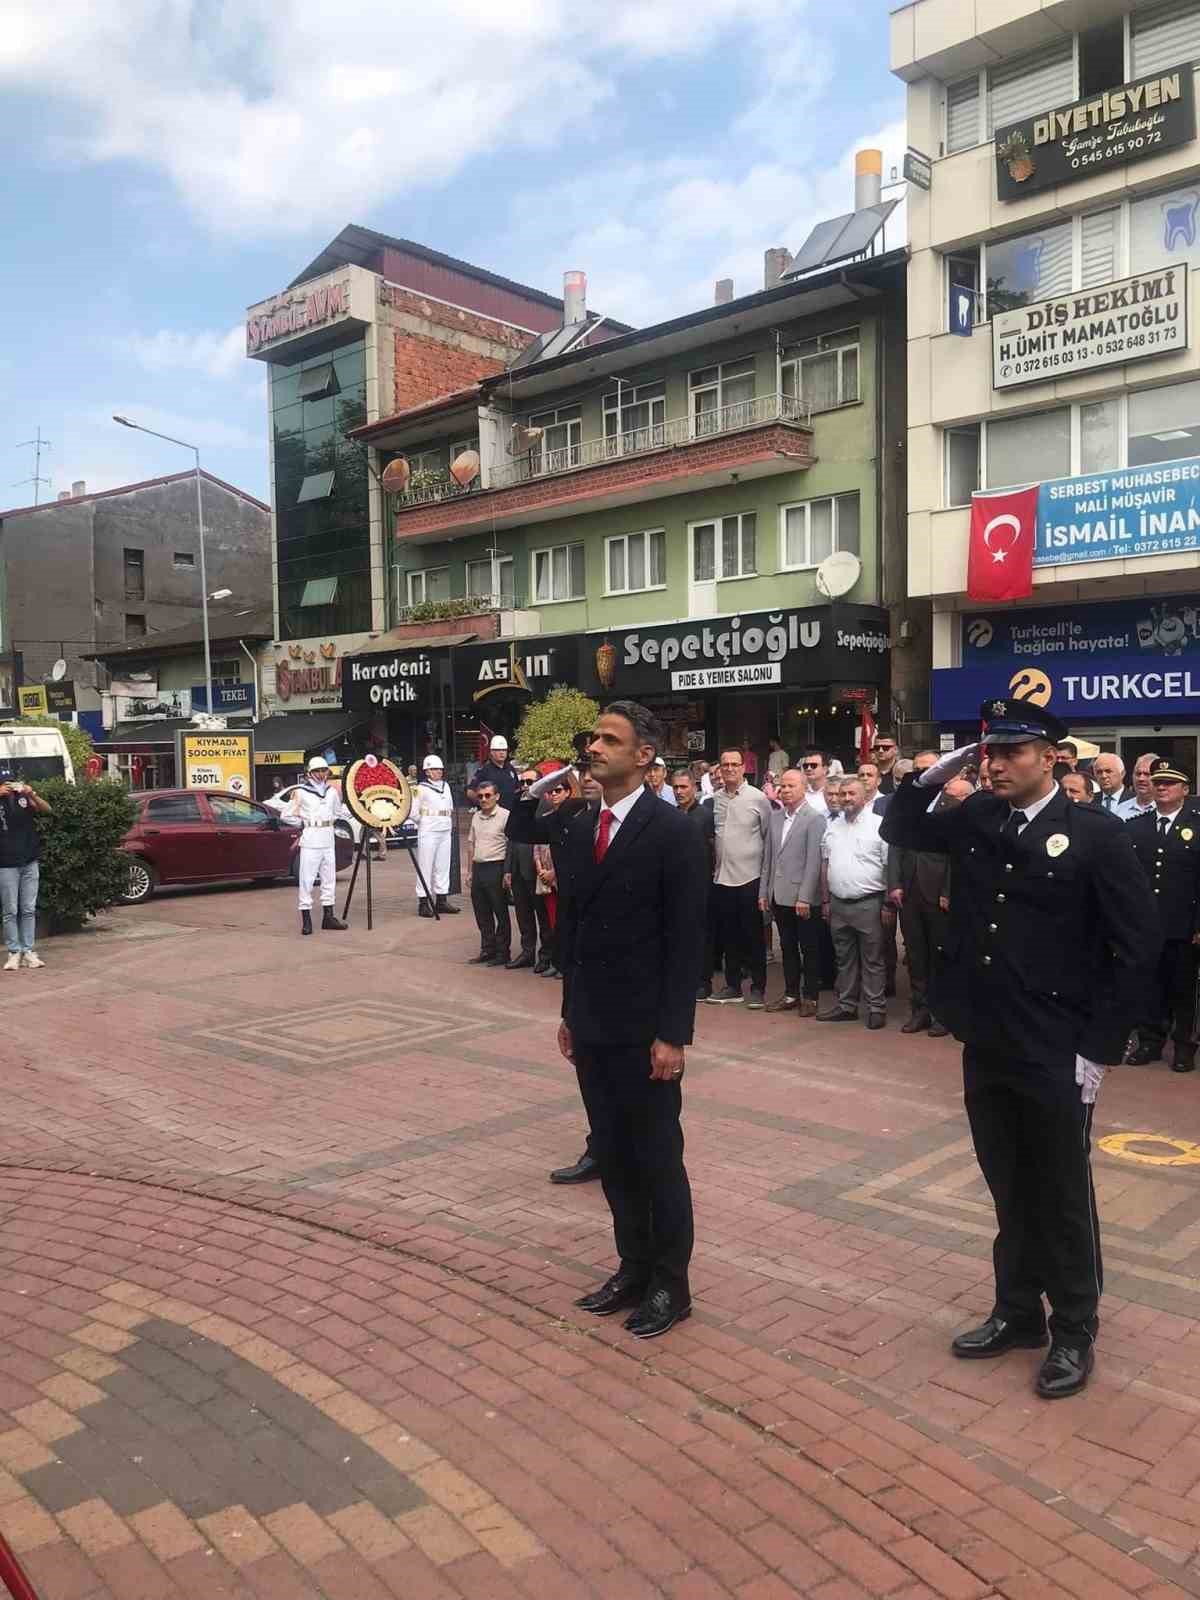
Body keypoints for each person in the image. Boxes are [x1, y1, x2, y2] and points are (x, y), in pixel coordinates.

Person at [881, 700, 1159, 1400]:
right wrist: (934, 772)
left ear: (1050, 757)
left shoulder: (1095, 834)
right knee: (1007, 1181)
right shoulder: (979, 816)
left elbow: (1137, 948)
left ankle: (1075, 1327)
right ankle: (1018, 1310)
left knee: (1060, 1190)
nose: (996, 764)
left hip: (1058, 1046)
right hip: (989, 1035)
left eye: (1012, 752)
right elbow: (901, 825)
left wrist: (1099, 1049)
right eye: (989, 752)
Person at [559, 700, 706, 1339]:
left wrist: (673, 1034)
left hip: (646, 1033)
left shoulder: (674, 831)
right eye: (594, 738)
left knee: (656, 1158)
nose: (593, 747)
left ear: (644, 756)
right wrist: (569, 1013)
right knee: (613, 1157)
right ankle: (633, 1266)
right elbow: (575, 933)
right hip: (593, 1024)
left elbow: (687, 942)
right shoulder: (582, 826)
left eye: (609, 740)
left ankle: (671, 1283)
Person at [1126, 759, 1200, 1073]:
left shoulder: (1197, 825)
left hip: (1185, 925)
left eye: (1169, 783)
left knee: (1184, 989)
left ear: (1185, 789)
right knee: (1149, 987)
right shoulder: (1136, 826)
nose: (1162, 787)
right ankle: (1150, 1041)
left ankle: (1184, 1046)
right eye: (1158, 782)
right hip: (1147, 925)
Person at [888, 757, 966, 1037]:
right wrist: (894, 883)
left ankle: (941, 1014)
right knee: (916, 954)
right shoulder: (909, 802)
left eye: (931, 768)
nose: (926, 773)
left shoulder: (954, 804)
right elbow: (895, 844)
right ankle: (919, 1010)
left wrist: (947, 891)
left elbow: (957, 854)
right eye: (921, 769)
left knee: (939, 955)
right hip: (909, 892)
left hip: (938, 894)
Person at [818, 777, 891, 1029]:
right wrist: (825, 900)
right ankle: (847, 1005)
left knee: (873, 959)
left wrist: (887, 904)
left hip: (869, 903)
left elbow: (889, 866)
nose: (846, 798)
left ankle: (876, 1007)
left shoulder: (878, 825)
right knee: (844, 957)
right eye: (843, 794)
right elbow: (825, 864)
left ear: (864, 796)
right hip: (838, 904)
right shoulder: (833, 826)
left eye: (852, 793)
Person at [708, 748, 773, 1008]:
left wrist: (765, 884)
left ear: (744, 768)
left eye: (735, 764)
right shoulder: (715, 799)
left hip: (750, 877)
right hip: (722, 878)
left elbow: (768, 838)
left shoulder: (758, 798)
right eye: (725, 765)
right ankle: (732, 985)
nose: (730, 769)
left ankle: (758, 987)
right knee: (728, 936)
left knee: (753, 936)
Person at [759, 769, 826, 1017]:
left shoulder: (814, 818)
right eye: (783, 786)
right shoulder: (775, 817)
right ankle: (791, 994)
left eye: (791, 786)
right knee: (787, 947)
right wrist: (763, 892)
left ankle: (810, 997)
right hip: (778, 894)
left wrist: (805, 896)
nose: (786, 790)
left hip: (802, 897)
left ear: (803, 787)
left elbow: (814, 861)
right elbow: (768, 859)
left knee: (809, 948)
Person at [285, 756, 348, 935]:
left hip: (327, 839)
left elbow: (338, 812)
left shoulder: (332, 792)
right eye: (317, 771)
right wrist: (303, 823)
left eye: (323, 770)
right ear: (309, 773)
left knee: (329, 879)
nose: (321, 774)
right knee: (307, 880)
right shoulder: (300, 792)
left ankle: (329, 916)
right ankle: (306, 919)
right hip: (311, 840)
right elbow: (287, 815)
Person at [672, 768, 718, 999]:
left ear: (694, 787)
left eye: (684, 787)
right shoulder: (670, 815)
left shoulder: (705, 815)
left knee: (701, 935)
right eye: (676, 787)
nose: (679, 791)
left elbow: (714, 850)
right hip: (674, 887)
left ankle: (703, 981)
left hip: (701, 886)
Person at [0, 768, 51, 971]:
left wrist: (32, 794)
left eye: (12, 782)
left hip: (29, 861)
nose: (9, 786)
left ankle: (28, 951)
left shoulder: (23, 798)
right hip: (6, 863)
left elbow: (47, 809)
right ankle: (14, 952)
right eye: (5, 783)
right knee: (10, 911)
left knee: (28, 909)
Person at [502, 768, 545, 969]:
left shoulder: (544, 805)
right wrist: (508, 869)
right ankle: (527, 953)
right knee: (522, 913)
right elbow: (511, 837)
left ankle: (546, 956)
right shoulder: (518, 803)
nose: (526, 786)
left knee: (542, 915)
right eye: (523, 782)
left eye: (530, 782)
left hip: (537, 870)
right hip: (517, 868)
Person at [465, 781, 511, 966]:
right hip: (479, 867)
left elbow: (510, 846)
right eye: (480, 796)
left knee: (500, 911)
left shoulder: (505, 816)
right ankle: (487, 949)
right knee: (481, 911)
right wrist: (469, 871)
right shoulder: (476, 816)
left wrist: (507, 872)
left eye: (487, 795)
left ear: (497, 796)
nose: (483, 799)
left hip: (496, 867)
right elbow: (471, 844)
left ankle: (503, 952)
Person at [414, 754, 459, 918]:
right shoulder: (420, 788)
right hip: (429, 829)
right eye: (434, 769)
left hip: (444, 828)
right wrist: (424, 821)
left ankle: (441, 900)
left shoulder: (446, 786)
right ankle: (423, 902)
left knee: (443, 865)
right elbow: (413, 811)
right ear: (427, 771)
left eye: (440, 769)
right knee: (425, 866)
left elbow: (450, 807)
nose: (438, 771)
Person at [467, 735, 520, 806]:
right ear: (491, 752)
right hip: (493, 812)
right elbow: (470, 792)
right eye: (498, 750)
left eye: (504, 750)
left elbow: (517, 789)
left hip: (511, 810)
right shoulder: (485, 770)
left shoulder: (510, 768)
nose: (502, 752)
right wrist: (484, 804)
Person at [1125, 752, 1162, 818]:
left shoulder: (1166, 809)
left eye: (1147, 774)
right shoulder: (1120, 809)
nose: (1141, 779)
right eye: (1138, 774)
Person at [801, 751, 833, 816]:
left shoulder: (836, 792)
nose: (808, 769)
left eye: (813, 765)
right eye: (805, 766)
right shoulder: (800, 792)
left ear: (825, 769)